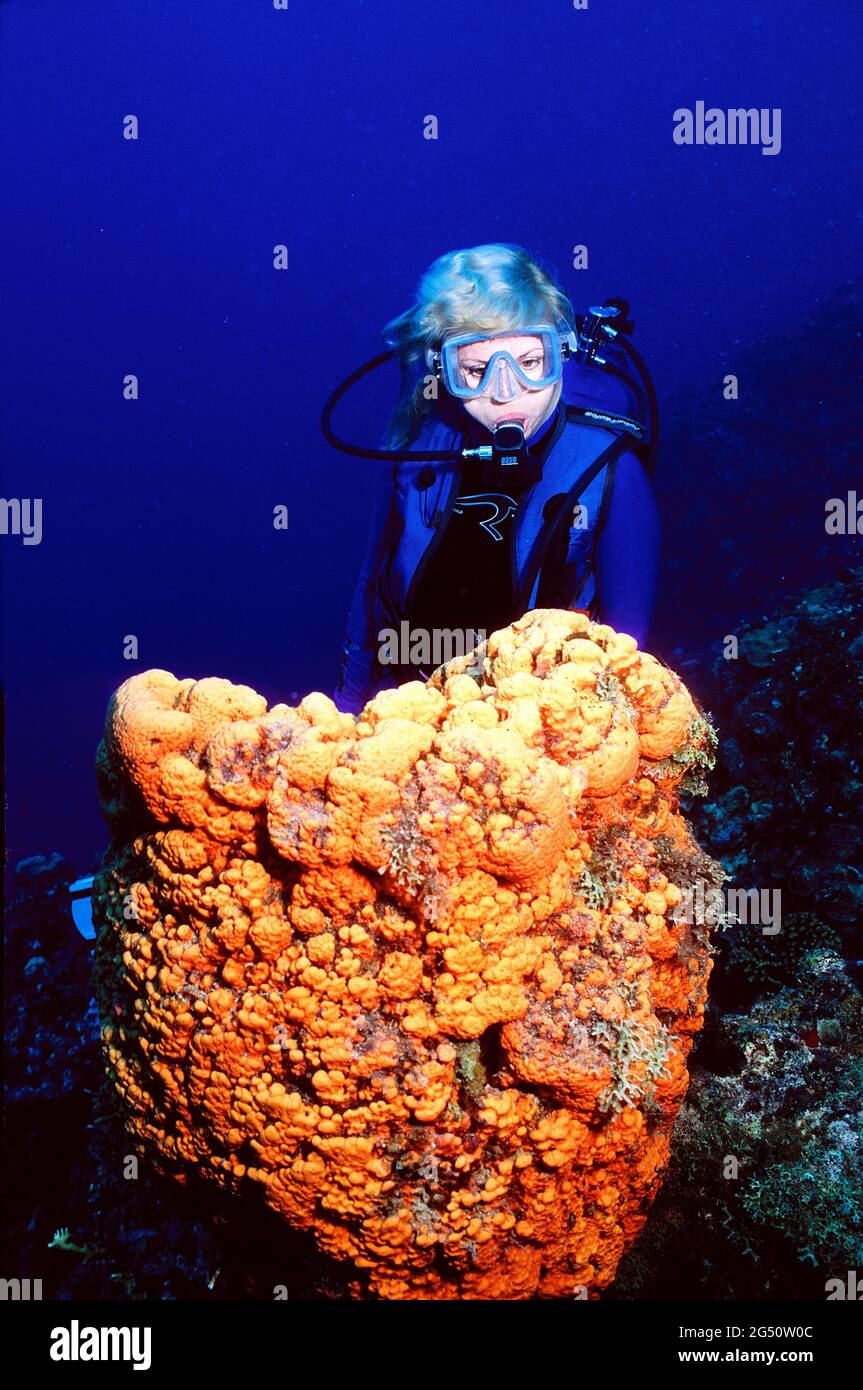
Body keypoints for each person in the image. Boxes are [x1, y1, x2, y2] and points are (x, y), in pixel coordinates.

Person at [332, 243, 660, 715]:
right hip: (411, 705)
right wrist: (348, 710)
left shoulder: (612, 472)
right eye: (476, 370)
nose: (507, 394)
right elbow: (370, 591)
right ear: (442, 371)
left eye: (529, 363)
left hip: (537, 725)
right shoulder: (414, 452)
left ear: (560, 352)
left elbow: (628, 657)